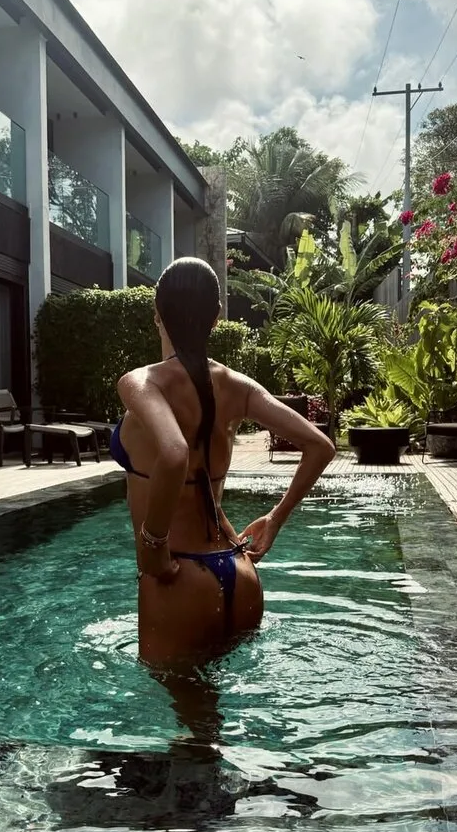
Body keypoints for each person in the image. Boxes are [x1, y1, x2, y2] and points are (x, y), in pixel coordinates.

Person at [112, 257, 335, 670]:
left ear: (157, 312)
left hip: (178, 575)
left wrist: (153, 546)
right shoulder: (238, 386)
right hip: (239, 568)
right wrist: (274, 519)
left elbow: (174, 452)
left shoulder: (142, 382)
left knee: (189, 710)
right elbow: (320, 446)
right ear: (216, 317)